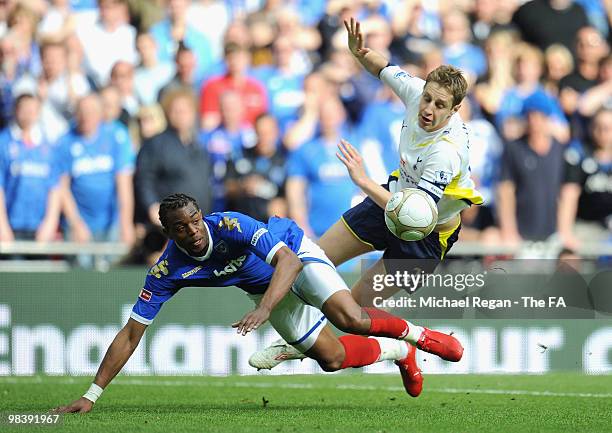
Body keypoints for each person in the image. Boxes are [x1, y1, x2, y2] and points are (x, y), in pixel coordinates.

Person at [52, 193, 464, 413]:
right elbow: (130, 334)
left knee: (350, 316)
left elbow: (285, 261)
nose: (194, 230)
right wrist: (92, 394)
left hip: (296, 255)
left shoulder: (231, 225)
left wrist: (265, 310)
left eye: (196, 220)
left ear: (202, 214)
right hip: (264, 290)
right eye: (182, 227)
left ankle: (420, 335)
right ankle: (400, 352)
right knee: (332, 358)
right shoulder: (167, 271)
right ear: (169, 233)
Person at [316, 18, 483, 302]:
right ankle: (290, 342)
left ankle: (406, 344)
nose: (428, 108)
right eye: (428, 98)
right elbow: (382, 67)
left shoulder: (446, 152)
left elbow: (414, 216)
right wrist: (358, 53)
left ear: (455, 110)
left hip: (426, 235)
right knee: (313, 261)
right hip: (394, 199)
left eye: (440, 105)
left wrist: (363, 180)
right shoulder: (417, 92)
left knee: (357, 307)